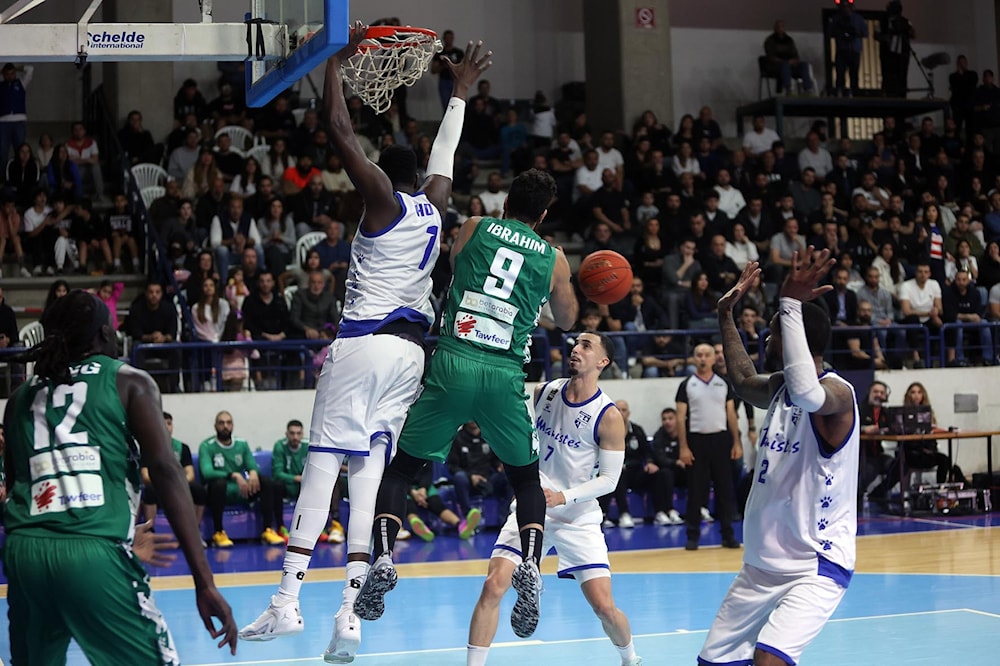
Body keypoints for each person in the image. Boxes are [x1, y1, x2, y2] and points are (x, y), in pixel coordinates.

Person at [239, 26, 492, 665]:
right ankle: (350, 616)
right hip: (412, 354)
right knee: (368, 476)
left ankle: (288, 601)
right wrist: (457, 94)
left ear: (385, 177)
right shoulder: (437, 205)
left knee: (322, 465)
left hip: (364, 345)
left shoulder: (381, 202)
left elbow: (337, 129)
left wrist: (334, 61)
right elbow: (447, 157)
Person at [354, 178, 579, 638]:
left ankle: (382, 556)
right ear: (542, 215)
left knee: (401, 470)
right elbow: (568, 319)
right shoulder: (553, 258)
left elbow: (457, 263)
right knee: (525, 479)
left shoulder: (475, 226)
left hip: (455, 360)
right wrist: (562, 278)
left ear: (507, 202)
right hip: (503, 372)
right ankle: (532, 565)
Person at [2, 290, 237, 664]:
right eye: (112, 329)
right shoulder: (129, 380)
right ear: (100, 336)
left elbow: (18, 488)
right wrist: (204, 581)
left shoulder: (19, 398)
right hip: (94, 553)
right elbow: (165, 471)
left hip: (24, 553)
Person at [700, 249, 859, 666]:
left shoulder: (838, 396)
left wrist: (789, 304)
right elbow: (740, 380)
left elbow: (811, 394)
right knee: (714, 662)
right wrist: (725, 315)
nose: (768, 340)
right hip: (760, 566)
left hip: (814, 564)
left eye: (775, 333)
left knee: (770, 661)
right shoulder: (779, 387)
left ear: (795, 340)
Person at [466, 332, 642, 666]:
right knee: (493, 585)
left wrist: (563, 496)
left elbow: (610, 480)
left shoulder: (608, 415)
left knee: (604, 606)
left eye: (587, 346)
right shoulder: (544, 391)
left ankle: (630, 658)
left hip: (577, 515)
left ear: (603, 362)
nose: (576, 348)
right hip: (533, 506)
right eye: (576, 343)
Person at [676, 343, 742, 551]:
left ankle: (728, 535)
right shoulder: (686, 384)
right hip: (696, 441)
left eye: (707, 355)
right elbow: (680, 418)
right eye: (699, 355)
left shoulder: (723, 384)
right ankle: (692, 535)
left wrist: (736, 442)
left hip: (721, 440)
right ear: (694, 359)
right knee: (696, 490)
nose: (703, 358)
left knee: (725, 489)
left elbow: (731, 415)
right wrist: (683, 447)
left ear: (714, 358)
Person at [199, 411, 286, 547]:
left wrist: (252, 473)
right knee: (218, 484)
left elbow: (252, 465)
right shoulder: (206, 446)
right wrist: (233, 475)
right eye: (221, 423)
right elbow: (207, 472)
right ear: (215, 426)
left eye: (228, 423)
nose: (225, 426)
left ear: (233, 425)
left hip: (241, 490)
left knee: (266, 482)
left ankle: (268, 530)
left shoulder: (242, 444)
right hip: (218, 492)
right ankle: (218, 532)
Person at [140, 412, 206, 533]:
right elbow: (145, 475)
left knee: (199, 490)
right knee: (149, 490)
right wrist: (164, 482)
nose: (166, 427)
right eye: (163, 424)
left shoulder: (182, 447)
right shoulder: (148, 447)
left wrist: (177, 483)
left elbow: (190, 474)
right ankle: (149, 531)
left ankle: (195, 531)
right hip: (159, 486)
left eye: (169, 424)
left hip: (179, 486)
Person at [762, 20, 814, 95]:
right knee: (785, 65)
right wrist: (785, 61)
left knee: (804, 65)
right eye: (778, 27)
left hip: (791, 63)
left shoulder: (789, 40)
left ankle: (807, 89)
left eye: (782, 27)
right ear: (775, 28)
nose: (780, 29)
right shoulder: (770, 40)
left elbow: (796, 55)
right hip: (776, 65)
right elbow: (771, 57)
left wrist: (794, 61)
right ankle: (788, 89)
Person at [829, 0, 869, 97]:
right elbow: (830, 33)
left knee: (854, 74)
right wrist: (840, 32)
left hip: (854, 50)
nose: (845, 8)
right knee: (840, 73)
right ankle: (840, 92)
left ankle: (854, 92)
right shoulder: (836, 19)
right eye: (843, 6)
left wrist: (855, 33)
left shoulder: (858, 19)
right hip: (842, 50)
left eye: (847, 6)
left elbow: (865, 33)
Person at [878, 0, 914, 98]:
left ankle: (902, 96)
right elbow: (877, 35)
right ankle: (887, 95)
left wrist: (904, 29)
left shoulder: (905, 21)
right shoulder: (883, 21)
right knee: (888, 76)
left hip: (902, 54)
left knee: (902, 76)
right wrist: (887, 37)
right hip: (888, 55)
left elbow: (912, 33)